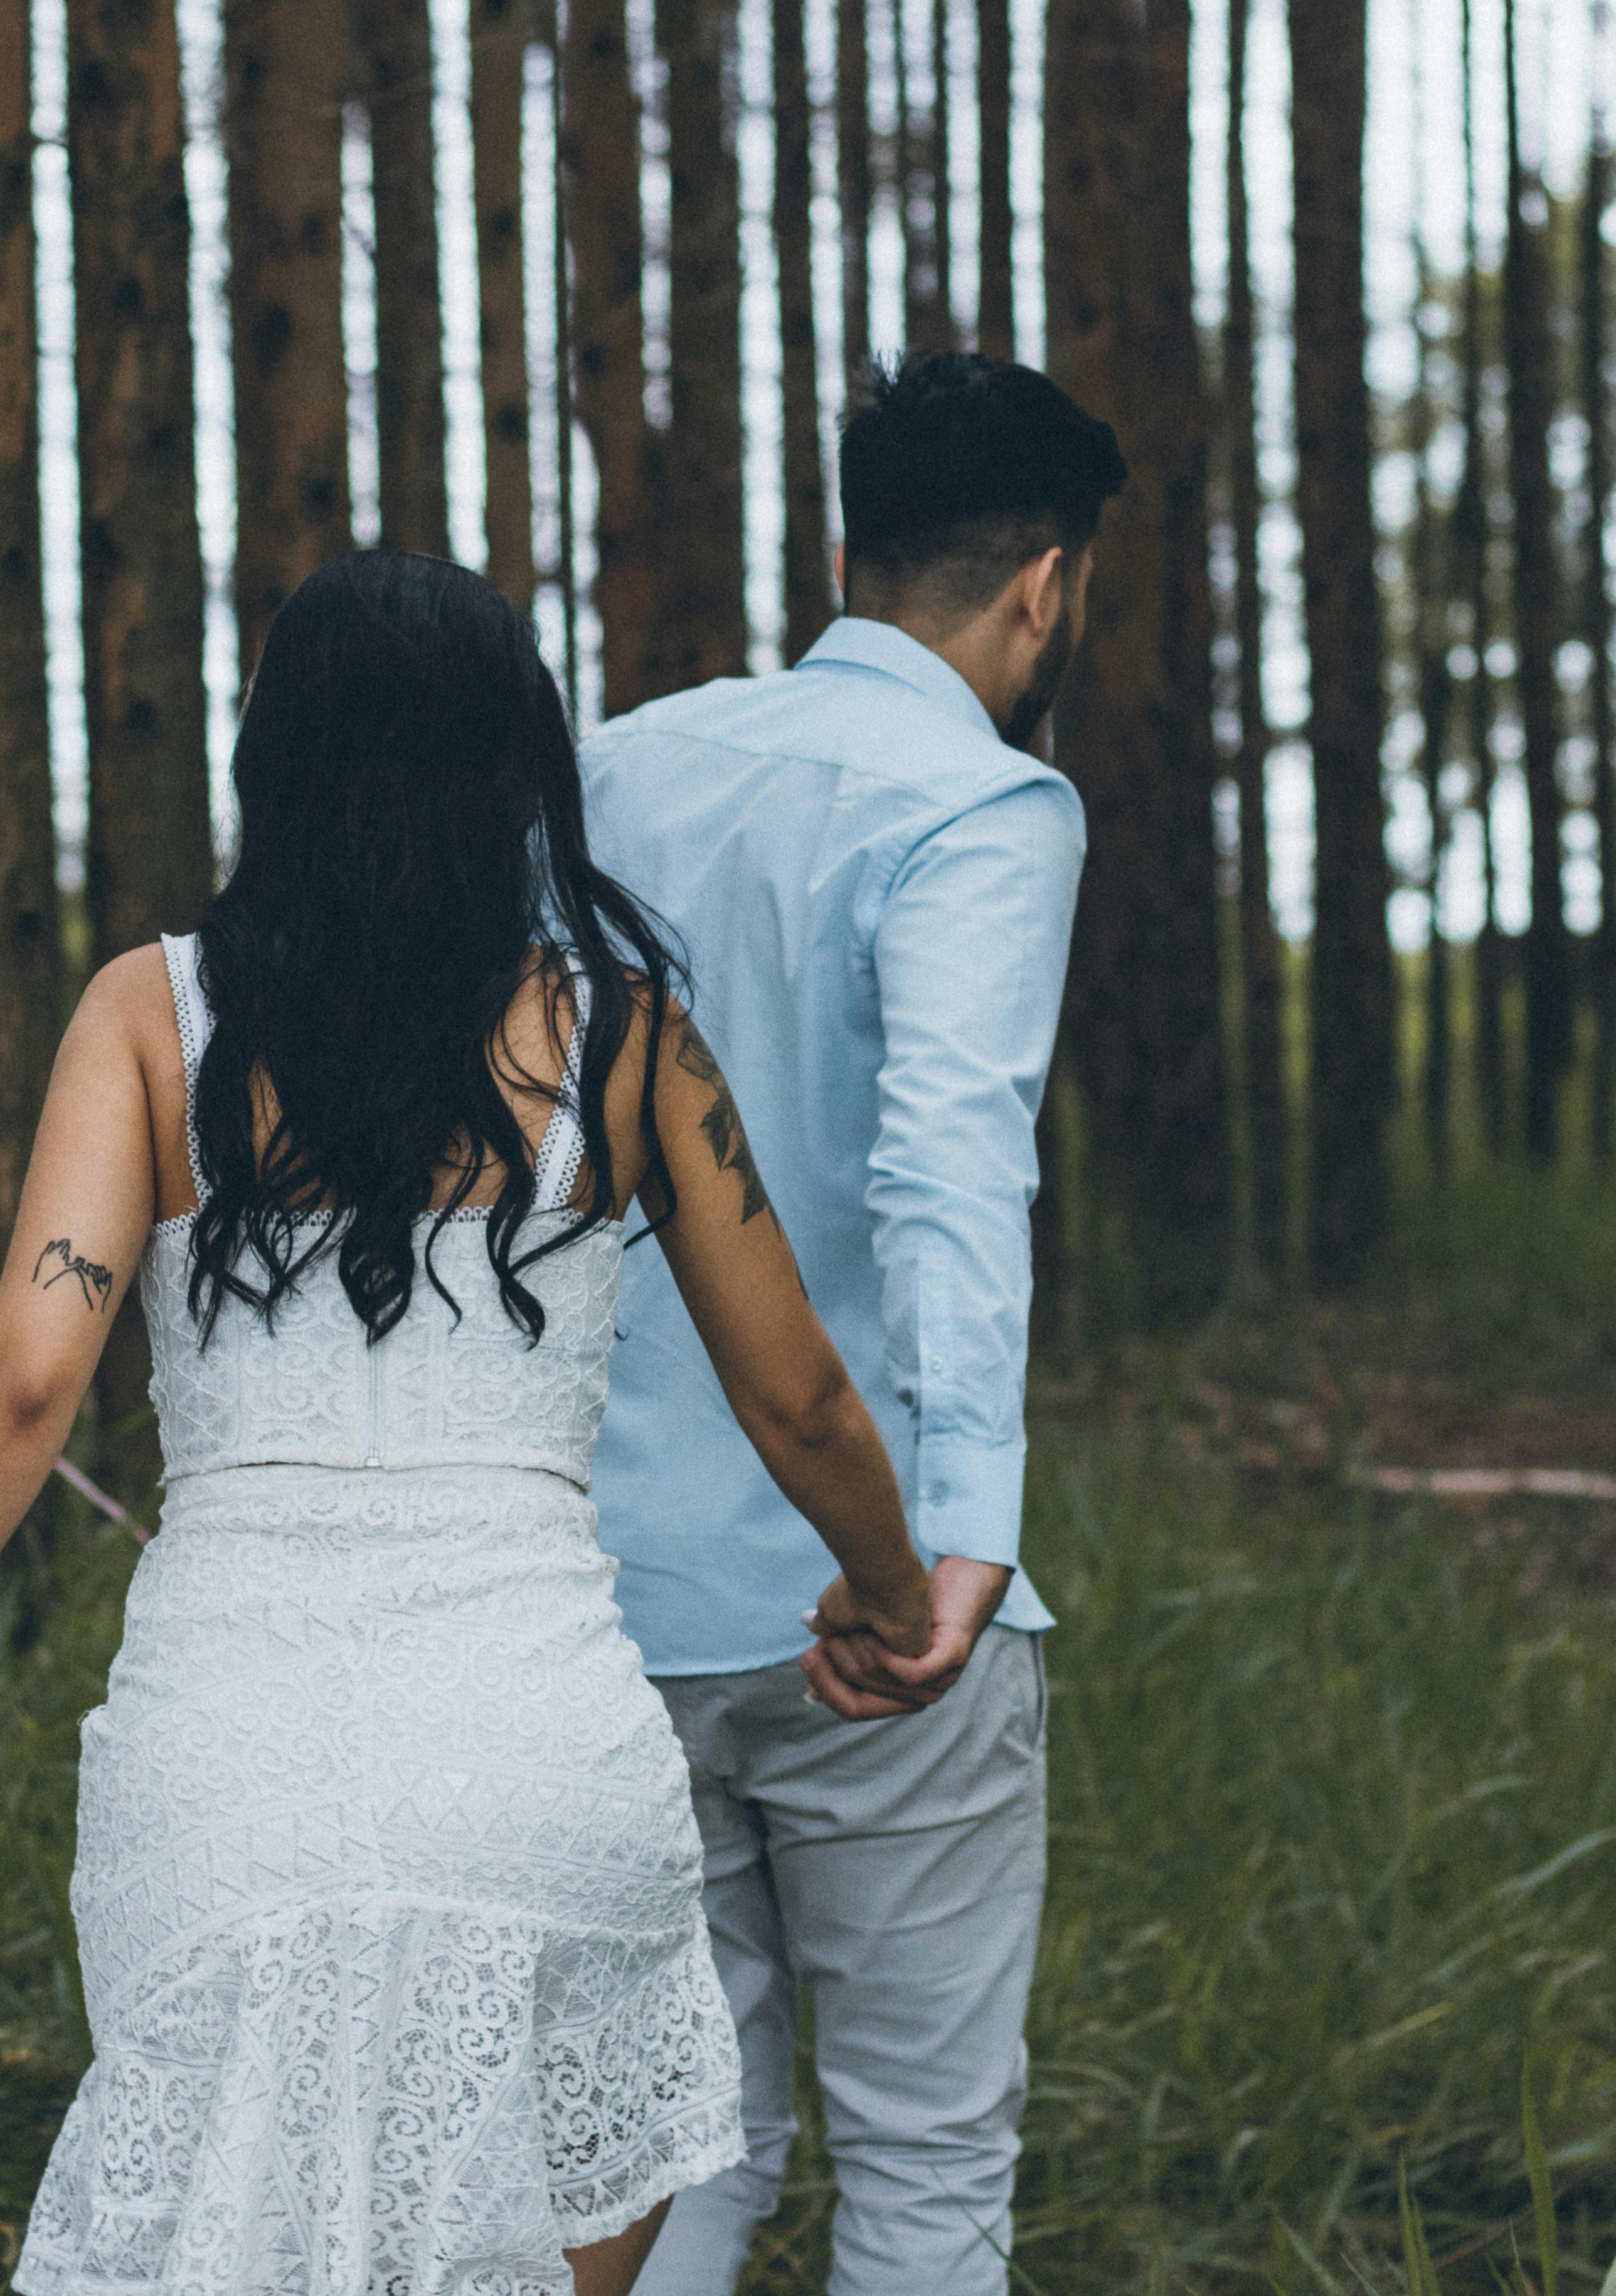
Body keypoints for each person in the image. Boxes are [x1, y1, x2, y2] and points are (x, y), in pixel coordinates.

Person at [0, 553, 945, 2296]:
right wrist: (893, 1593)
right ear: (516, 769)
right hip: (540, 1762)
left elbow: (22, 1381)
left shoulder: (148, 1017)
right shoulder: (628, 1037)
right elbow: (804, 1394)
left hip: (229, 1770)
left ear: (273, 762)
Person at [577, 353, 1124, 2295]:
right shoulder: (987, 807)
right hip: (867, 1595)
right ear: (1046, 585)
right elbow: (952, 1173)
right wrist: (960, 1545)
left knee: (666, 2159)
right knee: (922, 2167)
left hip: (600, 1588)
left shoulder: (619, 764)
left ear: (846, 551)